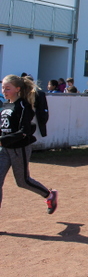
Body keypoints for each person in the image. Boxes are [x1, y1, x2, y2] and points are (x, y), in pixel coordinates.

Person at [0, 74, 57, 214]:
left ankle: (49, 195)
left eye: (8, 88)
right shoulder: (4, 105)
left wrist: (3, 140)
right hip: (4, 149)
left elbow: (24, 131)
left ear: (17, 89)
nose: (4, 91)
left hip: (19, 148)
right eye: (3, 88)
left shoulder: (24, 106)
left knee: (23, 181)